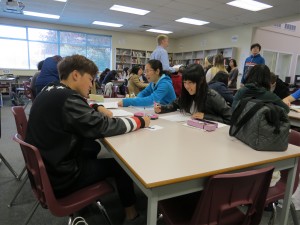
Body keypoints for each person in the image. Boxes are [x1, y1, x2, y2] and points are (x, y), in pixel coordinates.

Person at [25, 54, 150, 224]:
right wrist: (140, 121)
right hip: (63, 178)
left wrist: (96, 106)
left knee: (93, 148)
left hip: (48, 169)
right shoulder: (68, 99)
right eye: (90, 79)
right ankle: (132, 214)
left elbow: (81, 105)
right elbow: (104, 127)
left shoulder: (51, 89)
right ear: (76, 75)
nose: (92, 84)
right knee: (121, 166)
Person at [154, 64, 232, 125]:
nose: (187, 86)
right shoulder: (187, 93)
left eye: (191, 82)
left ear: (201, 81)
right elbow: (175, 104)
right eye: (185, 82)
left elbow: (231, 119)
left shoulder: (213, 97)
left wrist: (205, 116)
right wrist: (162, 108)